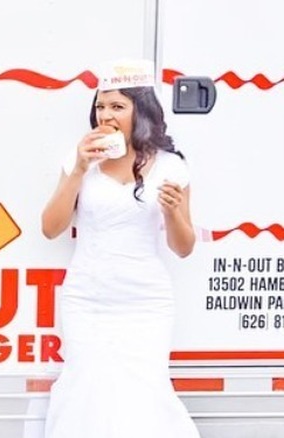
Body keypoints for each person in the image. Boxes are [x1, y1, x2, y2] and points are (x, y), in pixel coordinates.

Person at [40, 59, 200, 437]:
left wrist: (175, 214)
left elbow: (184, 247)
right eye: (100, 106)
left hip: (145, 302)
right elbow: (51, 228)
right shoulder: (80, 160)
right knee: (86, 388)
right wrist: (79, 168)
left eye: (117, 107)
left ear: (139, 112)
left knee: (144, 392)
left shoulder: (170, 166)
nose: (106, 115)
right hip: (88, 299)